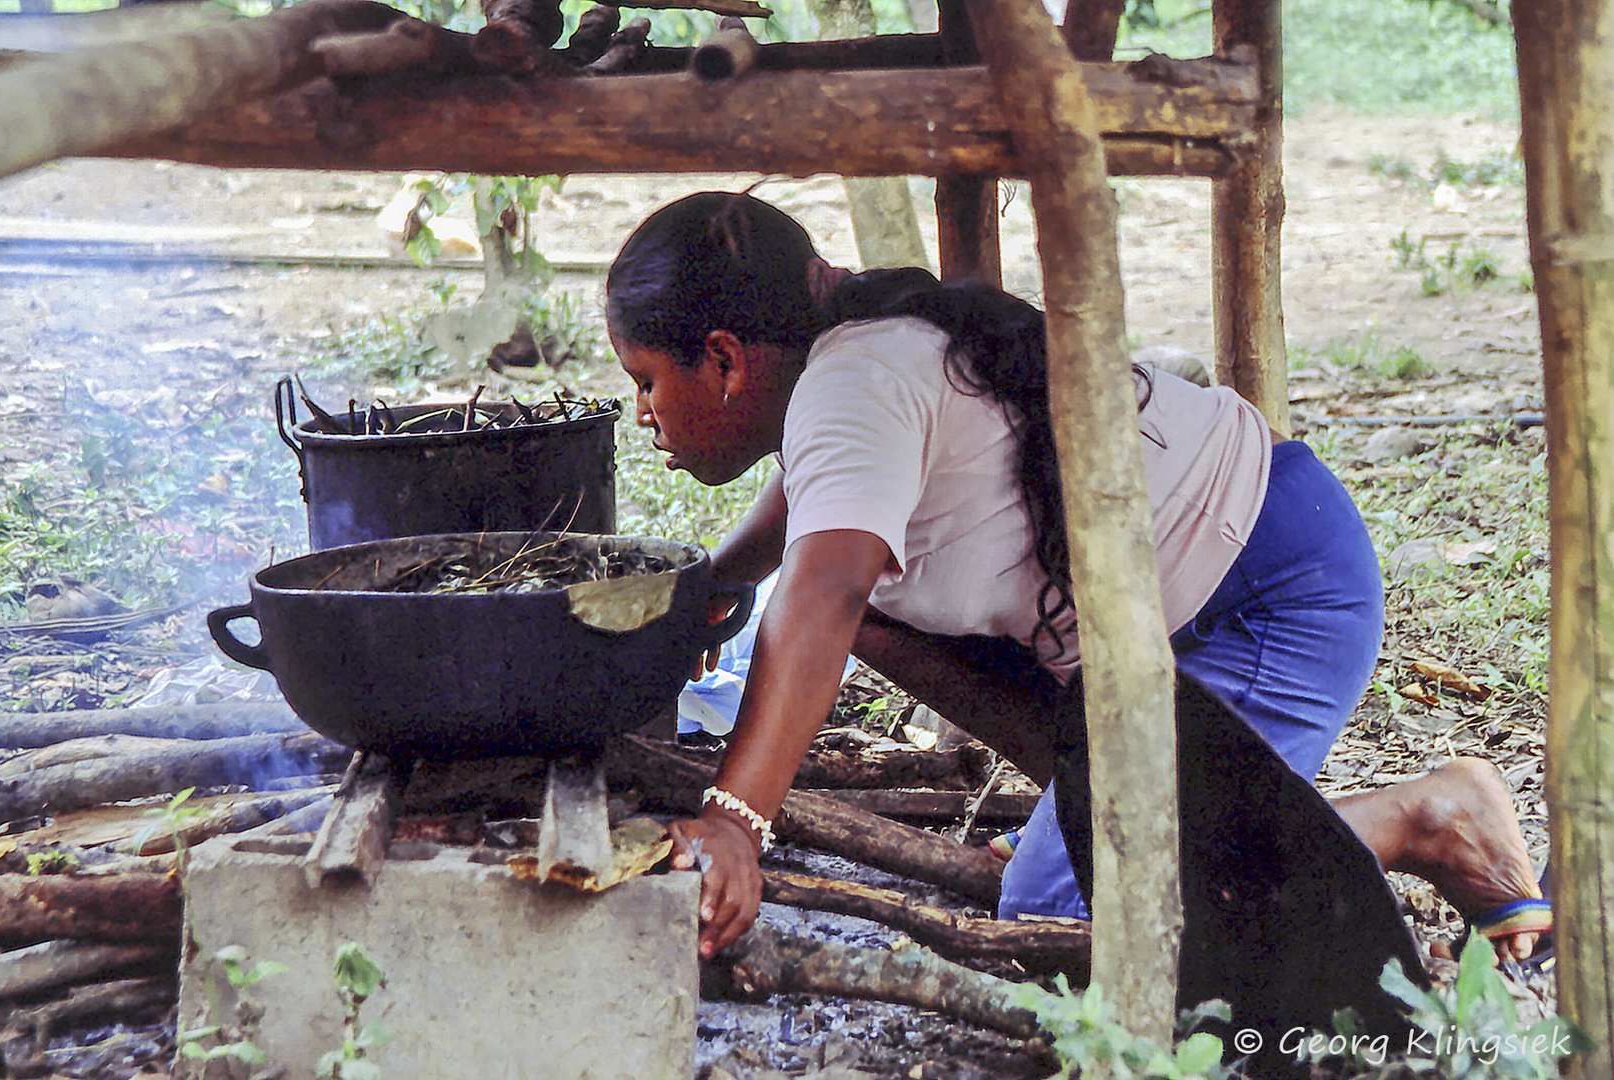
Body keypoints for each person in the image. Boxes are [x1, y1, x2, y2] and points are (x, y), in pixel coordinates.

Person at [604, 190, 1550, 967]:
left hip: (1265, 593)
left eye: (646, 380)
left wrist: (733, 820)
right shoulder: (850, 367)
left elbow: (826, 589)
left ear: (725, 358)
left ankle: (1429, 817)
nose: (645, 415)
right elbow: (813, 515)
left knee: (1063, 912)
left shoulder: (852, 385)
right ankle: (1093, 807)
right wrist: (710, 594)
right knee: (882, 615)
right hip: (1194, 596)